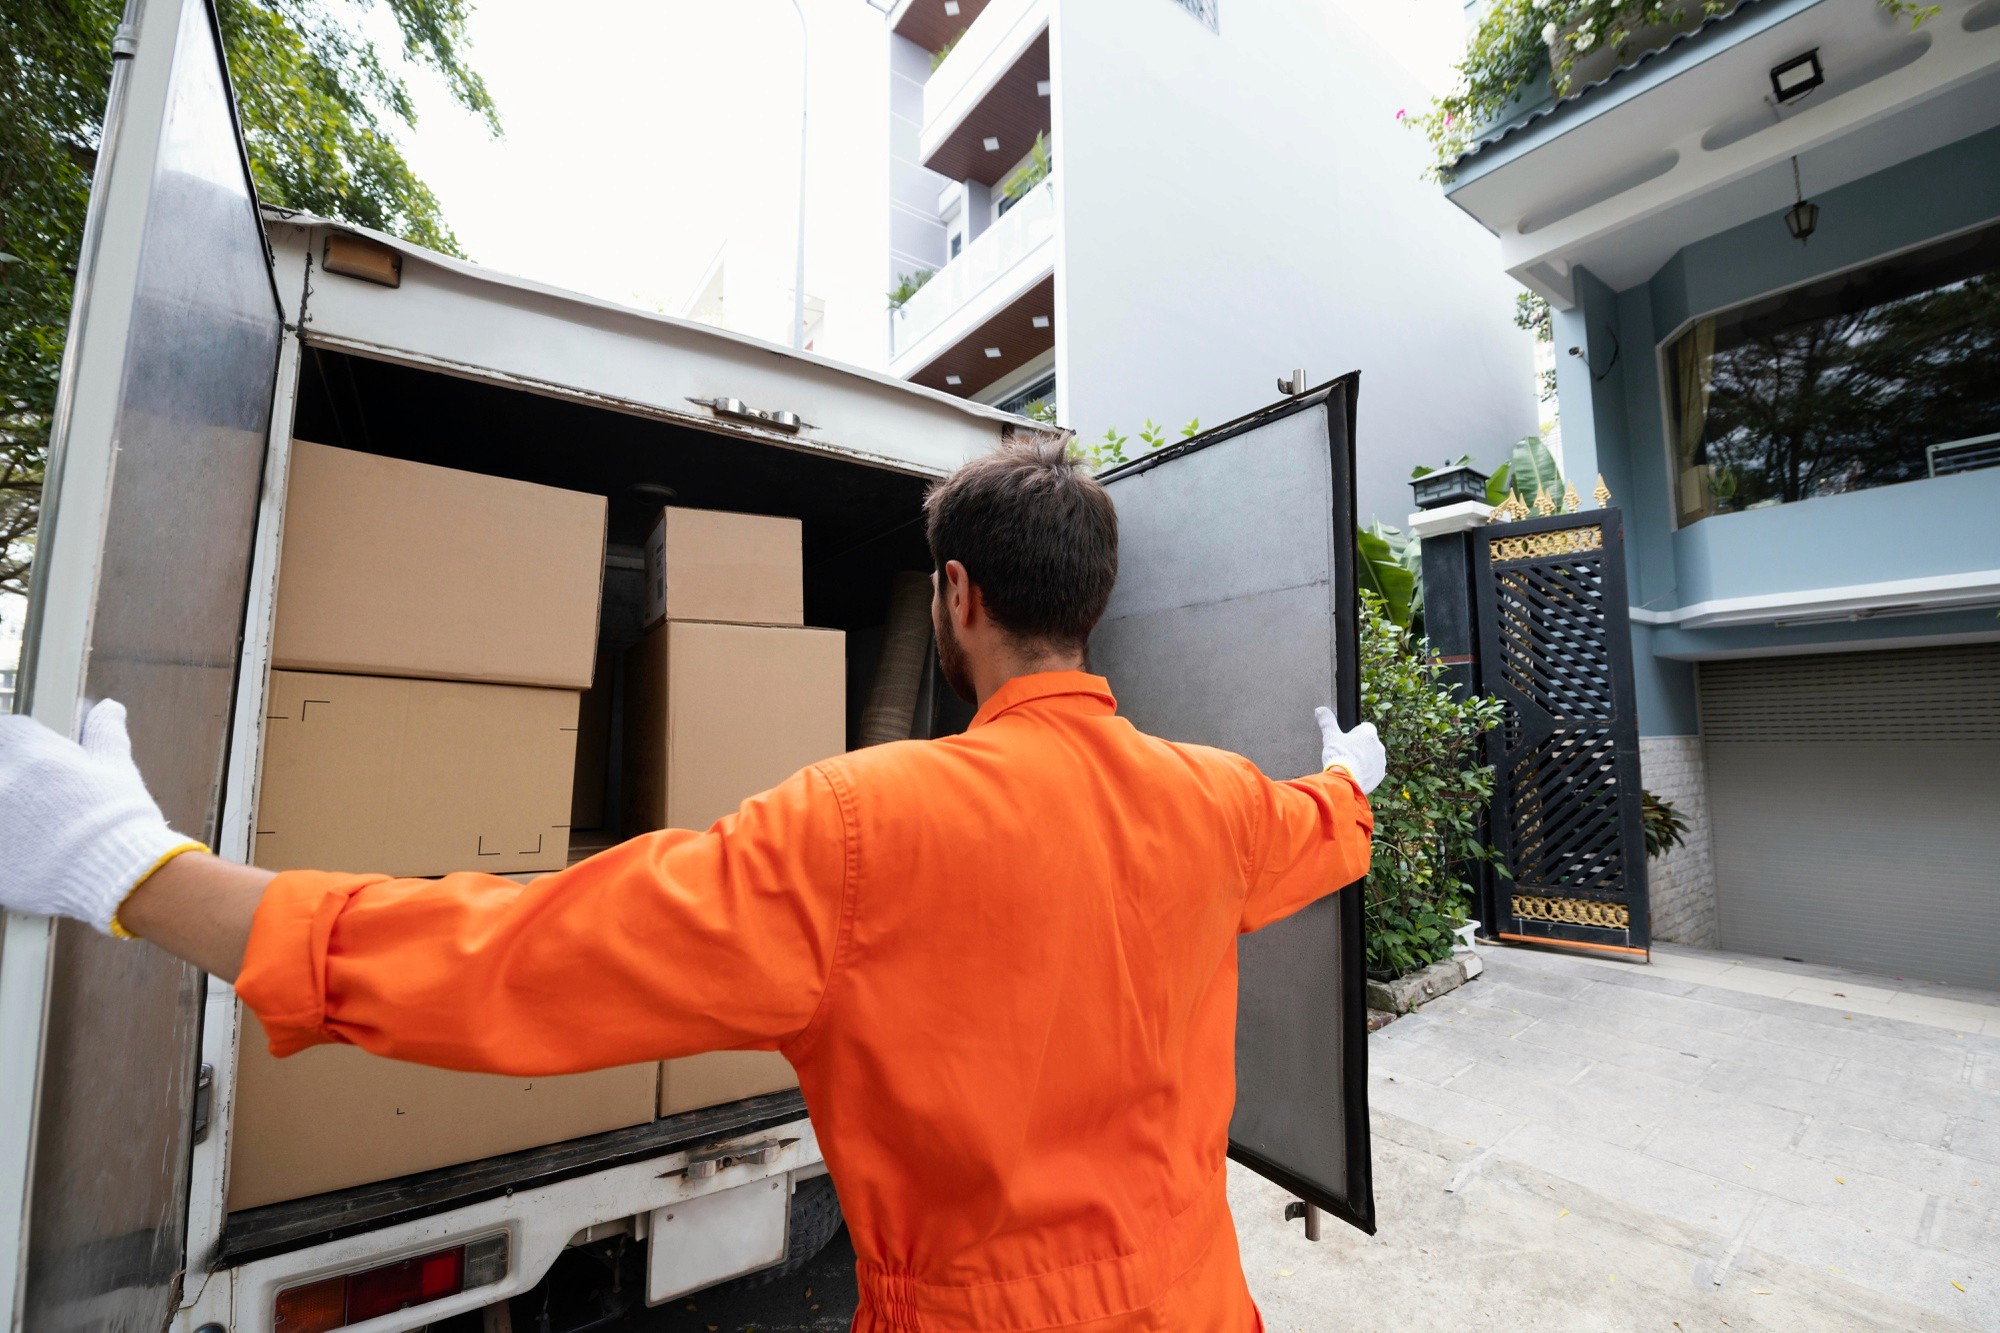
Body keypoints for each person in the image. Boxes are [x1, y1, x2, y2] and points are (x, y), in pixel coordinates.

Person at [0, 439, 1383, 1332]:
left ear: (957, 595)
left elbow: (522, 958)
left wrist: (149, 874)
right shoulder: (1214, 800)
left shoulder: (862, 827)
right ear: (1089, 598)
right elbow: (1319, 826)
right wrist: (1357, 778)